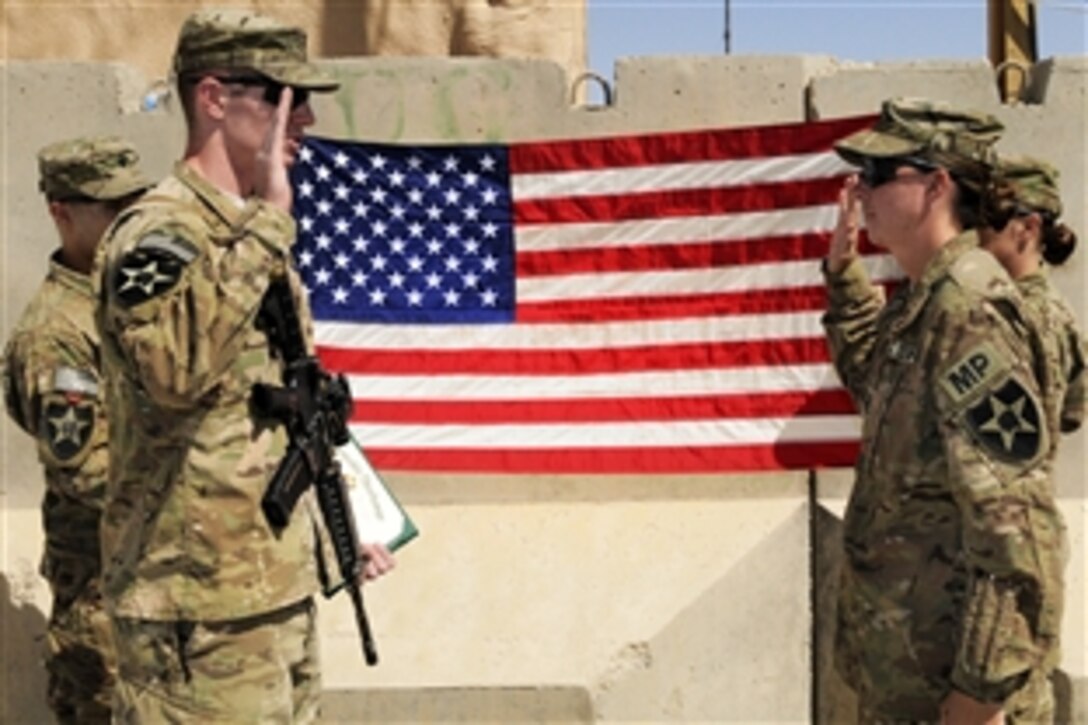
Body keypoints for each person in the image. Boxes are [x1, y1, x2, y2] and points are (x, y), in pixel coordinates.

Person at [92, 9, 394, 722]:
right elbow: (174, 373)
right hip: (196, 610)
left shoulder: (251, 231)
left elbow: (275, 410)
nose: (306, 118)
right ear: (214, 99)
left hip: (270, 592)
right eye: (282, 96)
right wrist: (266, 224)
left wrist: (338, 526)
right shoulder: (159, 234)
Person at [822, 99, 1064, 723]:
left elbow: (1016, 530)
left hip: (952, 698)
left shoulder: (969, 308)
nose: (861, 190)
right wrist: (845, 277)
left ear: (936, 185)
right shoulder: (922, 303)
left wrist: (979, 696)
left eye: (881, 175)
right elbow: (875, 392)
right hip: (908, 683)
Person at [2, 136, 151, 723]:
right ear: (60, 213)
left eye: (135, 205)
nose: (129, 222)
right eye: (112, 209)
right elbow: (87, 471)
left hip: (152, 587)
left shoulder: (131, 301)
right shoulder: (56, 334)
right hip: (103, 602)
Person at [980, 154, 1085, 438]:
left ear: (1028, 227)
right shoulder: (1057, 311)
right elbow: (1072, 412)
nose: (977, 229)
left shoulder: (1017, 313)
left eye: (990, 216)